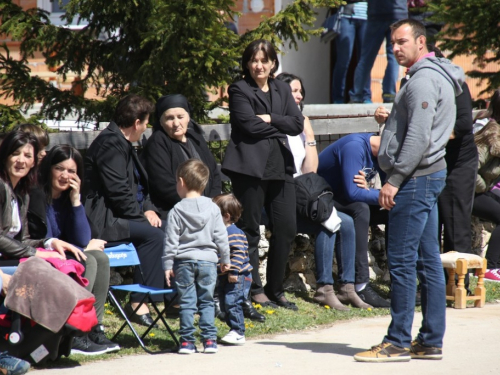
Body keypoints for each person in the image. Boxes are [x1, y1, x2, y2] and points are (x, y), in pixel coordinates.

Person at [354, 19, 465, 362]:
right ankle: (430, 340)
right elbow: (420, 130)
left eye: (402, 42)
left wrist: (394, 179)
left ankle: (398, 340)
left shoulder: (423, 81)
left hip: (415, 179)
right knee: (428, 261)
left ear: (421, 42)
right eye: (393, 42)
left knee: (402, 262)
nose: (395, 48)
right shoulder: (430, 77)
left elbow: (418, 139)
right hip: (427, 175)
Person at [276, 72, 371, 310]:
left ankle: (347, 288)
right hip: (286, 194)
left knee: (347, 222)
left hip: (306, 193)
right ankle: (324, 288)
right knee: (327, 221)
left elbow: (311, 170)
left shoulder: (300, 127)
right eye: (292, 91)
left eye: (300, 91)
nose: (297, 96)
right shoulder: (277, 127)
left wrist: (308, 135)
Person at [221, 39, 304, 310]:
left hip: (280, 168)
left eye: (264, 60)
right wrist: (278, 124)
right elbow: (247, 125)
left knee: (286, 228)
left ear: (272, 64)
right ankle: (254, 289)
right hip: (249, 170)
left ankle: (275, 288)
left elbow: (297, 123)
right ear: (247, 63)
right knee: (249, 231)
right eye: (254, 60)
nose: (259, 65)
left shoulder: (281, 88)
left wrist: (269, 119)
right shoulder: (239, 89)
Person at [83, 94, 164, 327]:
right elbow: (118, 193)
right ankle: (138, 304)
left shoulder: (121, 142)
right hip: (105, 220)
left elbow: (139, 188)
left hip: (121, 214)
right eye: (146, 122)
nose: (147, 127)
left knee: (169, 227)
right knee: (155, 236)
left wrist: (148, 210)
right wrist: (142, 219)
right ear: (137, 123)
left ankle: (171, 299)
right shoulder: (111, 144)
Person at [30, 145, 120, 355]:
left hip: (66, 255)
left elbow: (82, 237)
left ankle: (93, 327)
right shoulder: (37, 195)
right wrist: (81, 246)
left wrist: (76, 200)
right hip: (46, 255)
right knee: (88, 259)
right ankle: (75, 330)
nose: (65, 175)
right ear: (48, 168)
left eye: (71, 171)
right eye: (59, 168)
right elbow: (46, 235)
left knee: (100, 258)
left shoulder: (68, 197)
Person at [163, 159, 230, 354]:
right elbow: (221, 237)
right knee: (207, 301)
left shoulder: (176, 210)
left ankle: (187, 342)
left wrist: (167, 264)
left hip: (184, 262)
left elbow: (171, 242)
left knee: (187, 302)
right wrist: (225, 258)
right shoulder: (213, 208)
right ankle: (209, 341)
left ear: (181, 182)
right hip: (209, 262)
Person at [317, 133, 390, 308]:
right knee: (361, 208)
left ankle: (397, 279)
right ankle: (360, 283)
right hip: (323, 198)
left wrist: (370, 191)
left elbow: (388, 185)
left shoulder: (381, 153)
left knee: (393, 211)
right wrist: (373, 193)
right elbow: (354, 193)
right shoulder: (354, 146)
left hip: (344, 199)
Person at [0, 131, 83, 263]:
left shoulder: (22, 193)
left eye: (27, 156)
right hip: (6, 260)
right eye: (15, 154)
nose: (21, 160)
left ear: (33, 162)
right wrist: (37, 253)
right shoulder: (1, 186)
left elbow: (23, 240)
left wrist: (50, 243)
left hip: (12, 257)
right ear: (5, 157)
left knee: (80, 259)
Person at [141, 94, 222, 219]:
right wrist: (194, 206)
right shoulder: (158, 142)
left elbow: (214, 173)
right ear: (161, 122)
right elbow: (163, 184)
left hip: (207, 208)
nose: (176, 123)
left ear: (188, 117)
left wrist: (211, 203)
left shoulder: (196, 138)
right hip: (176, 211)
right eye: (169, 118)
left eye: (180, 117)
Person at [349, 0, 407, 103]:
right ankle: (389, 94)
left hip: (377, 11)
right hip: (398, 12)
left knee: (367, 57)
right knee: (393, 56)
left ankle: (357, 95)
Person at [213, 193, 252, 345]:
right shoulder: (222, 232)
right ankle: (234, 329)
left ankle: (238, 331)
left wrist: (233, 271)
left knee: (233, 302)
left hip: (238, 275)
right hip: (226, 276)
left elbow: (238, 253)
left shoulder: (232, 232)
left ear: (226, 216)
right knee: (225, 303)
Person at [472, 94, 500, 282]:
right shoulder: (491, 133)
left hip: (481, 191)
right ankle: (491, 267)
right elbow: (469, 169)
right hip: (467, 192)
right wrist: (483, 189)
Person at [331, 1, 369, 104]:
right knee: (343, 60)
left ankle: (365, 96)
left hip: (367, 16)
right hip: (346, 16)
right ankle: (338, 98)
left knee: (365, 60)